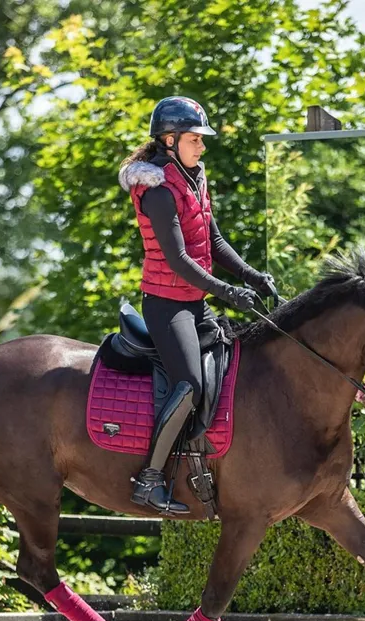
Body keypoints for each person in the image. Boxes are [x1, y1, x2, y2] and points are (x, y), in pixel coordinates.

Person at [118, 96, 277, 514]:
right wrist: (228, 293)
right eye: (194, 139)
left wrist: (251, 276)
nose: (202, 146)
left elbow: (216, 242)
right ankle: (149, 481)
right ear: (169, 141)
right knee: (188, 384)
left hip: (194, 301)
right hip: (166, 306)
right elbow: (178, 260)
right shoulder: (158, 191)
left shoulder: (194, 177)